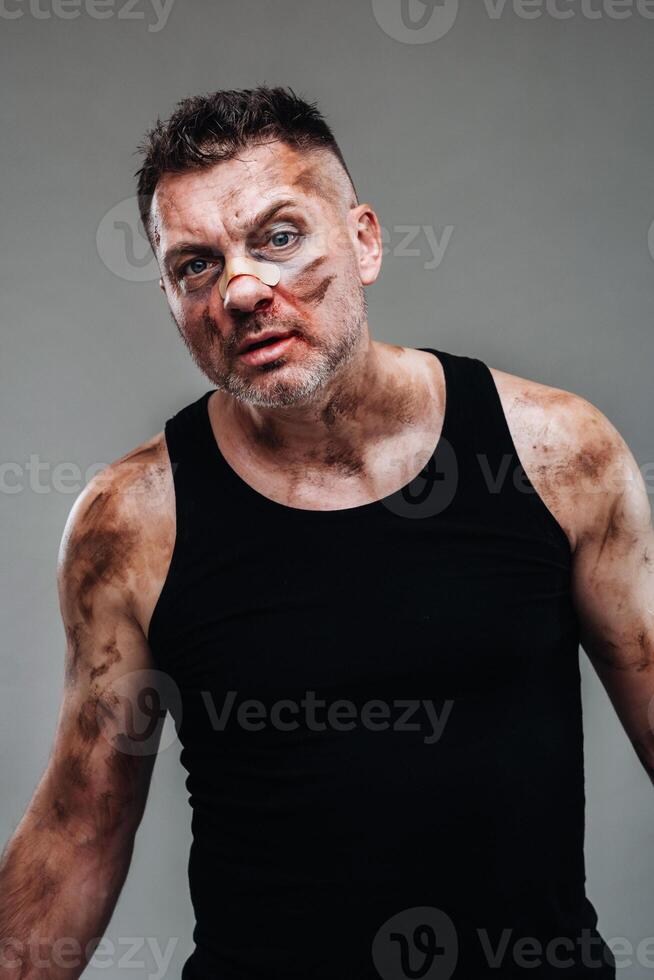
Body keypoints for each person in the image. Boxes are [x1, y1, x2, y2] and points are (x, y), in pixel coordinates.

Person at [1, 86, 652, 980]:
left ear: (365, 241)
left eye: (278, 236)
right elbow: (79, 831)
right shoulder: (130, 522)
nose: (240, 289)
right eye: (196, 265)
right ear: (169, 295)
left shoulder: (557, 454)